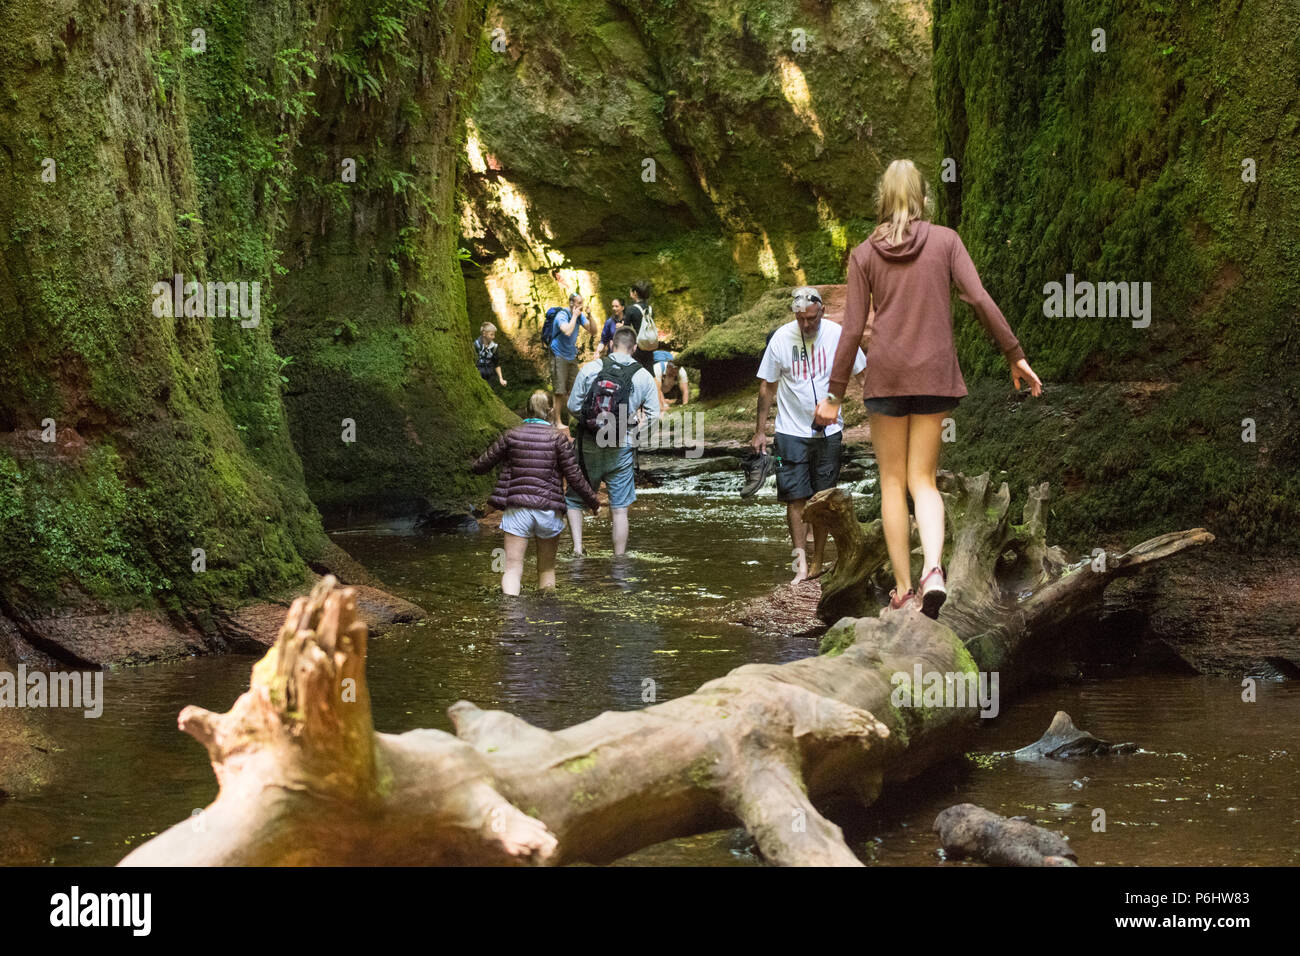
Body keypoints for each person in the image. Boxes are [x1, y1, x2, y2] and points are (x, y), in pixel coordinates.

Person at [818, 158, 1042, 618]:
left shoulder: (863, 254)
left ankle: (903, 588)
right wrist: (1013, 353)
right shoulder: (946, 241)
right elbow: (979, 297)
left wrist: (834, 394)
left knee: (893, 482)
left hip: (888, 375)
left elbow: (852, 328)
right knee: (923, 480)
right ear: (922, 197)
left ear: (882, 198)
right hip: (934, 373)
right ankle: (934, 571)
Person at [754, 287, 865, 583]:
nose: (806, 325)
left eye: (811, 319)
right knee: (795, 498)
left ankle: (818, 563)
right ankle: (800, 564)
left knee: (823, 499)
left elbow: (863, 372)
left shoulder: (837, 335)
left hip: (829, 431)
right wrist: (759, 431)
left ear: (823, 311)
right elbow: (767, 385)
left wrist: (878, 412)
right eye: (800, 319)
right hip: (789, 432)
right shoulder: (780, 338)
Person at [472, 390, 600, 594]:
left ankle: (511, 616)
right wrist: (593, 502)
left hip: (517, 510)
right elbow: (575, 477)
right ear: (551, 412)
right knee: (547, 569)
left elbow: (481, 465)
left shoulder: (511, 435)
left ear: (527, 410)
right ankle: (547, 618)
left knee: (512, 569)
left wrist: (470, 464)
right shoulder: (559, 439)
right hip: (549, 510)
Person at [565, 326, 660, 556]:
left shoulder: (592, 368)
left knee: (575, 500)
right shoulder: (643, 376)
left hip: (588, 444)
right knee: (619, 510)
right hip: (622, 446)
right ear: (634, 348)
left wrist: (591, 423)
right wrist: (634, 433)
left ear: (611, 345)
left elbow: (572, 406)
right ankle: (619, 557)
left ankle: (578, 548)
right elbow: (654, 416)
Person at [549, 292, 594, 424]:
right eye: (579, 303)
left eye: (582, 303)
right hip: (558, 354)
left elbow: (593, 331)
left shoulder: (579, 317)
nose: (581, 306)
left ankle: (572, 420)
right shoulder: (561, 315)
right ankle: (557, 421)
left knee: (574, 388)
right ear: (571, 303)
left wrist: (590, 316)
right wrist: (574, 316)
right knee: (559, 390)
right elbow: (568, 331)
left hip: (570, 355)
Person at [623, 280, 657, 373]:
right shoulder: (650, 309)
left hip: (637, 346)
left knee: (635, 372)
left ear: (635, 293)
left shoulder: (631, 309)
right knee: (650, 371)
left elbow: (626, 329)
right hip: (649, 344)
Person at [474, 322, 507, 387]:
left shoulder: (494, 347)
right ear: (484, 333)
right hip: (478, 373)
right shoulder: (476, 345)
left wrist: (501, 378)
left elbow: (497, 364)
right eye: (491, 335)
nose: (493, 337)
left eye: (494, 335)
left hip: (490, 376)